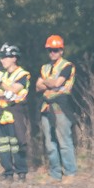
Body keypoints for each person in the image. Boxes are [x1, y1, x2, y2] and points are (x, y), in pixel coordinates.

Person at [35, 35, 79, 180]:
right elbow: (37, 87)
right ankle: (55, 174)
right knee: (50, 143)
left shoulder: (67, 66)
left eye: (55, 50)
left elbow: (57, 83)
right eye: (50, 50)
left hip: (61, 106)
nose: (52, 53)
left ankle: (70, 173)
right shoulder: (44, 67)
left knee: (64, 141)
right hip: (46, 107)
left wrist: (46, 83)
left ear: (61, 50)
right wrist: (50, 83)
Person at [0, 44, 30, 178]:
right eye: (1, 57)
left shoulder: (22, 74)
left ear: (14, 58)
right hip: (2, 115)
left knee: (17, 144)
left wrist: (2, 85)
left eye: (5, 57)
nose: (2, 60)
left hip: (16, 114)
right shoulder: (1, 74)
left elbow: (14, 89)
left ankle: (21, 172)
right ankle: (7, 172)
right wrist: (5, 92)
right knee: (3, 146)